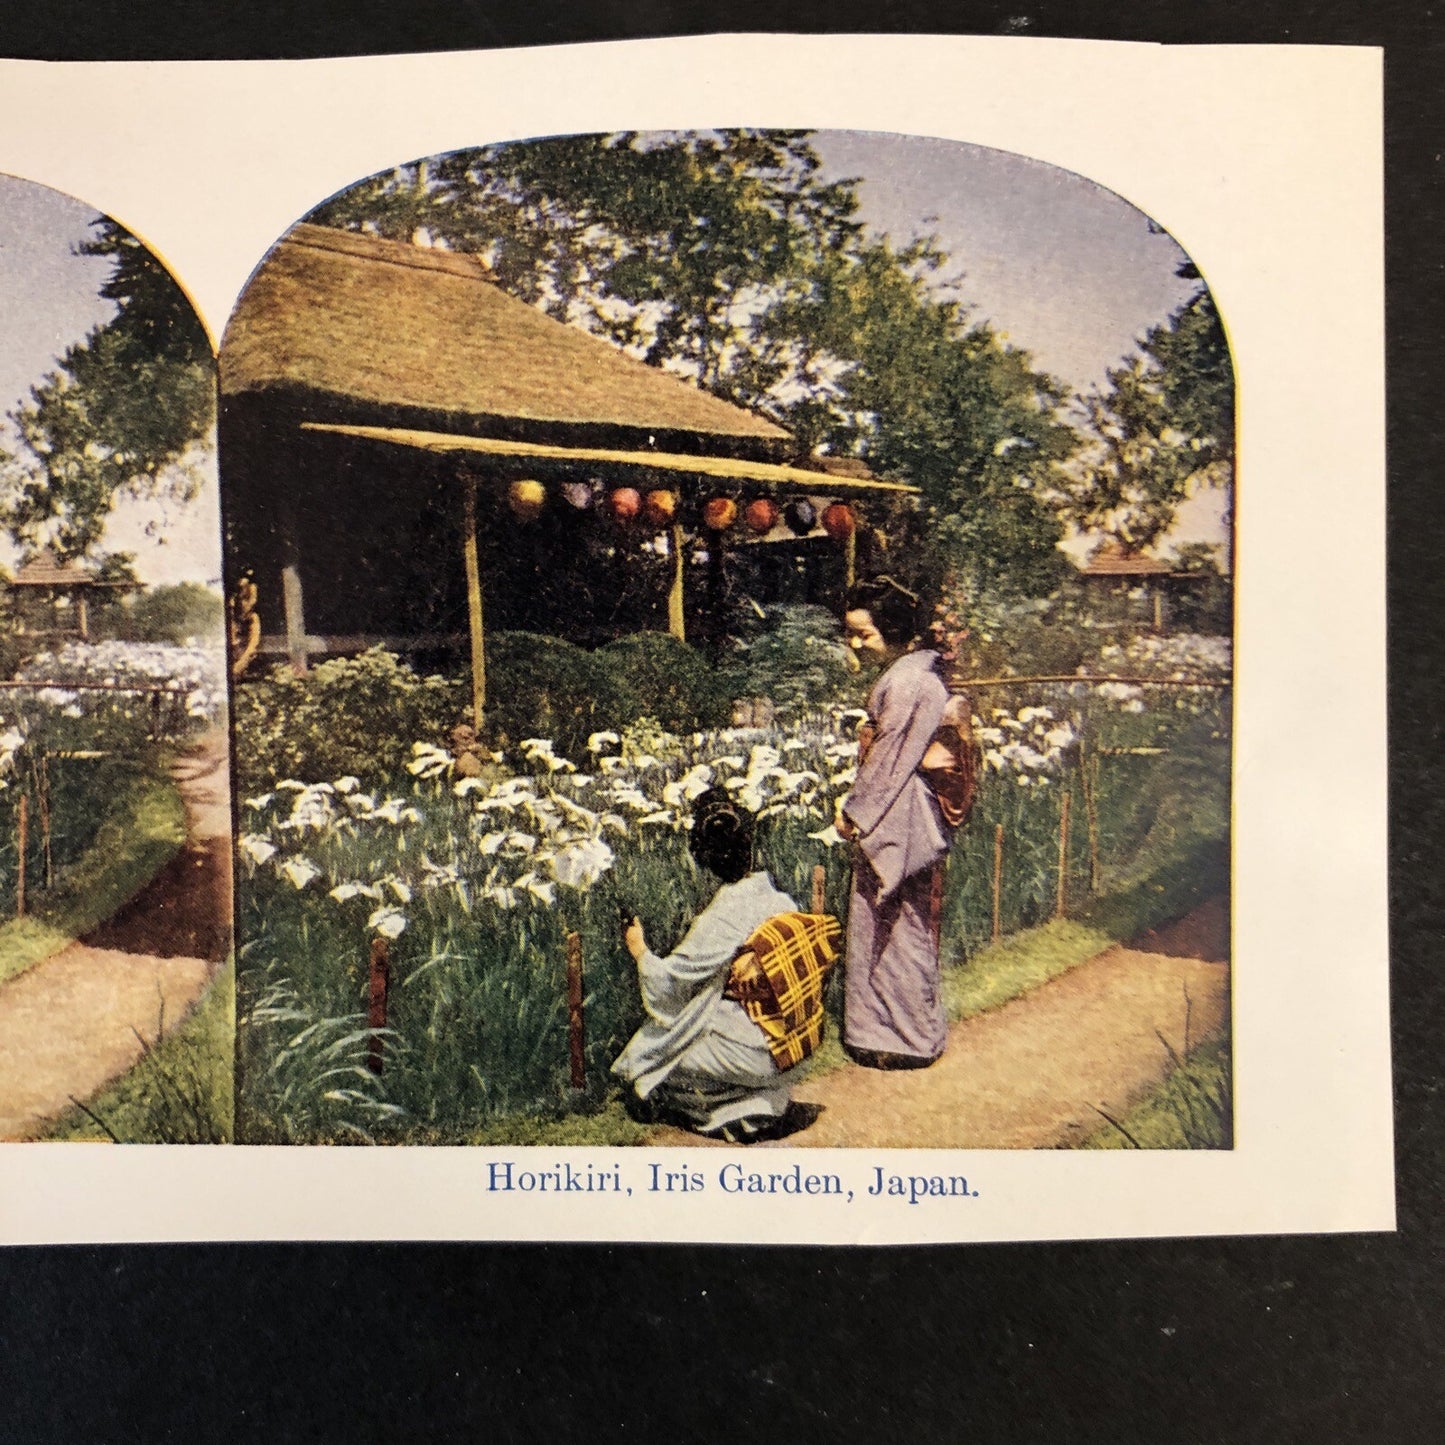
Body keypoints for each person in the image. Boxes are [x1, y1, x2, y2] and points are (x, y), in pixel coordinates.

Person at [612, 789, 811, 1142]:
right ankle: (763, 1102)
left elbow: (669, 988)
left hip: (756, 1051)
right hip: (793, 1042)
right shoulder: (781, 900)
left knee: (650, 1059)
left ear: (704, 859)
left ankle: (736, 1111)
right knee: (698, 1025)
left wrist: (639, 950)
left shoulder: (719, 919)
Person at [837, 577, 962, 1069]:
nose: (855, 644)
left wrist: (855, 811)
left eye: (864, 635)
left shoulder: (911, 681)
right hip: (896, 808)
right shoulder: (913, 674)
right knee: (884, 923)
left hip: (899, 811)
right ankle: (886, 1033)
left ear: (894, 633)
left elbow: (892, 757)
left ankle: (907, 1038)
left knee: (899, 925)